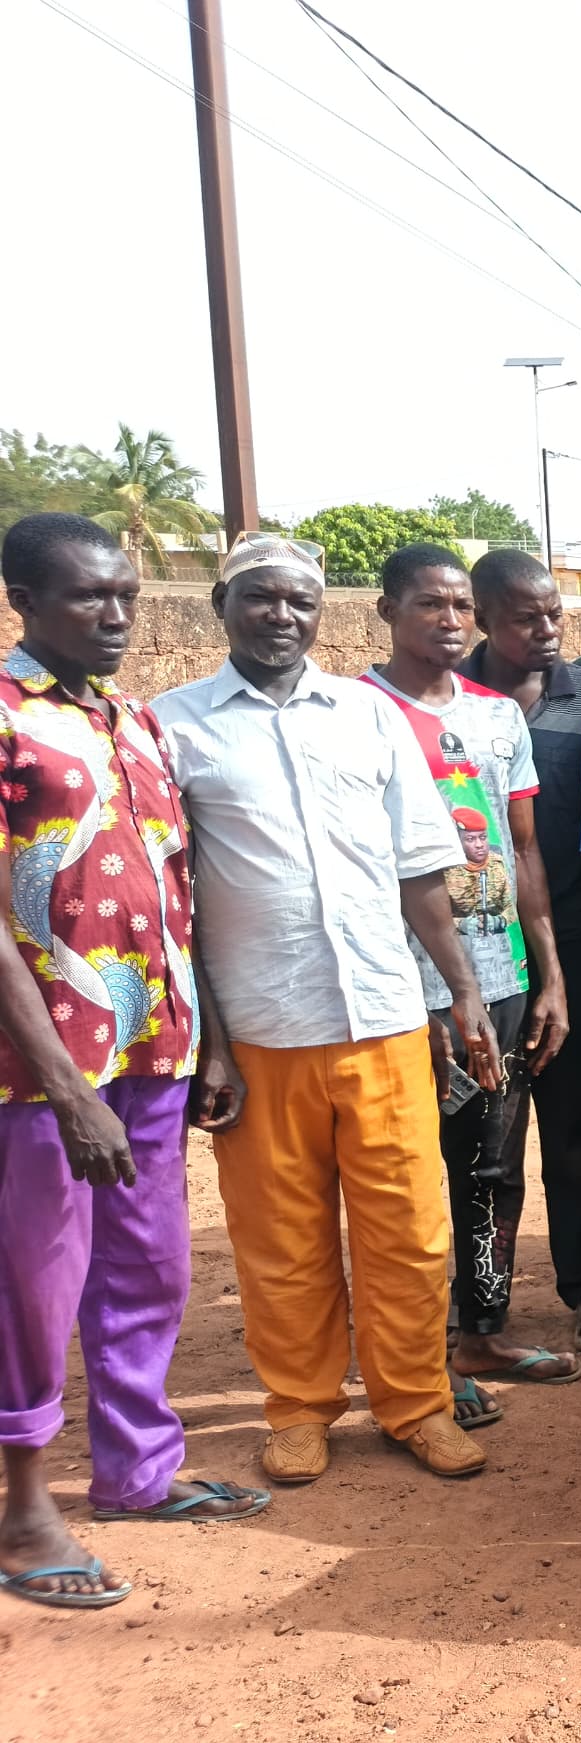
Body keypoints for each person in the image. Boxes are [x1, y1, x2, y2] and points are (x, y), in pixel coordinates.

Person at [158, 535, 501, 1484]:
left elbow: (420, 868)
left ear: (321, 613)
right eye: (261, 599)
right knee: (281, 1237)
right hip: (263, 1030)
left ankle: (415, 1403)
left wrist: (462, 992)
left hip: (385, 1016)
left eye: (299, 602)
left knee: (409, 1226)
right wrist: (211, 1049)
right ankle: (300, 1408)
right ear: (221, 604)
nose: (281, 616)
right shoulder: (173, 728)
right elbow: (174, 904)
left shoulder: (369, 716)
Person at [0, 516, 266, 1609]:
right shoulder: (9, 721)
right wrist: (64, 1086)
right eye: (86, 598)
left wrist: (203, 1038)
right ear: (20, 596)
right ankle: (23, 1513)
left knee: (147, 1268)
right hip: (39, 1068)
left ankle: (137, 1472)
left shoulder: (132, 721)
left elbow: (172, 883)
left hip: (153, 1045)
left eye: (125, 596)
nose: (114, 617)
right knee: (34, 1284)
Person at [362, 546, 578, 1397]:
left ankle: (481, 1332)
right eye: (429, 605)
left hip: (500, 975)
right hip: (394, 985)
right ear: (386, 610)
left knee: (491, 1162)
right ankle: (408, 1350)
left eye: (459, 606)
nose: (448, 621)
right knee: (404, 1170)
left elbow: (525, 852)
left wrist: (549, 975)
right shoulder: (355, 711)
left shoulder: (498, 719)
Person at [464, 549, 581, 1354]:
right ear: (481, 616)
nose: (546, 631)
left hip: (569, 941)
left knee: (578, 1127)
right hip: (470, 950)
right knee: (483, 1143)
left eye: (555, 615)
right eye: (526, 617)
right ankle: (482, 1302)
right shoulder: (444, 700)